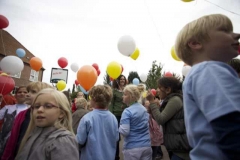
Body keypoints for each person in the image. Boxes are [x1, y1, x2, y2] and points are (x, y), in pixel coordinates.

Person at [175, 14, 240, 159]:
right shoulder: (209, 70)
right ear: (196, 43)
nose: (237, 35)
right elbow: (229, 124)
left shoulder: (198, 73)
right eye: (225, 31)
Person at [15, 88, 79, 160]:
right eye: (36, 106)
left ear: (61, 113)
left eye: (48, 106)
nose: (39, 110)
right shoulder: (32, 134)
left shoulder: (62, 140)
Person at [2, 82, 53, 160]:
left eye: (33, 92)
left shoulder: (48, 117)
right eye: (28, 91)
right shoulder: (22, 114)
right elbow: (12, 140)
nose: (27, 94)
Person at [146, 77, 191, 160]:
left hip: (180, 151)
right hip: (177, 147)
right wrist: (153, 110)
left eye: (159, 87)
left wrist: (152, 102)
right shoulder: (171, 99)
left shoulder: (175, 100)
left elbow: (160, 119)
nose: (157, 90)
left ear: (168, 90)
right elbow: (162, 119)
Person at [76, 85, 119, 160]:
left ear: (94, 99)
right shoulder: (113, 118)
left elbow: (79, 140)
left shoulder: (87, 118)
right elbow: (116, 138)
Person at [120, 84, 152, 160]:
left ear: (132, 96)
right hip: (146, 146)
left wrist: (119, 127)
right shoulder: (144, 109)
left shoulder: (127, 111)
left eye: (125, 94)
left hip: (132, 148)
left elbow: (125, 131)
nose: (122, 96)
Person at [0, 87, 28, 158]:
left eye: (25, 92)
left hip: (21, 143)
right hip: (4, 143)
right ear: (15, 95)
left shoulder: (31, 110)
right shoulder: (7, 108)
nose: (22, 94)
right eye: (19, 92)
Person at [109, 74, 127, 160]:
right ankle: (116, 156)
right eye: (121, 79)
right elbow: (111, 103)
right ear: (118, 81)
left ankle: (129, 155)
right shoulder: (114, 91)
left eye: (124, 79)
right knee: (117, 136)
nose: (122, 80)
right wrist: (111, 114)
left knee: (128, 134)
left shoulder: (127, 90)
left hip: (126, 115)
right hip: (116, 115)